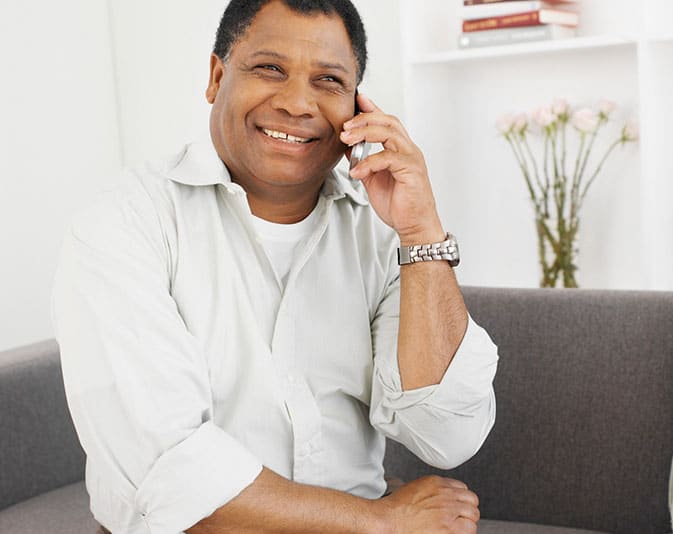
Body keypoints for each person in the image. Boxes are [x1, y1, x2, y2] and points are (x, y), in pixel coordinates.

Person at [52, 0, 498, 532]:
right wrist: (381, 521)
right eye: (270, 69)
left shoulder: (382, 234)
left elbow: (446, 434)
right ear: (217, 77)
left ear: (357, 107)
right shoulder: (126, 222)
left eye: (329, 81)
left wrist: (422, 233)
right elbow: (169, 472)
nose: (296, 103)